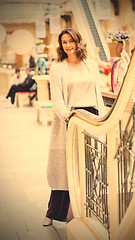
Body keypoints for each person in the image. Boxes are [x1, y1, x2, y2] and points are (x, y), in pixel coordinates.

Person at [43, 28, 106, 227]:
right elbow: (57, 100)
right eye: (64, 42)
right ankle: (52, 212)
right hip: (70, 120)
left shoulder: (91, 65)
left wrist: (103, 120)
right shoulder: (57, 67)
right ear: (61, 45)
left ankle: (84, 211)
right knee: (65, 169)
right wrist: (67, 116)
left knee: (87, 168)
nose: (68, 45)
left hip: (91, 120)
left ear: (78, 42)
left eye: (71, 41)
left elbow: (98, 96)